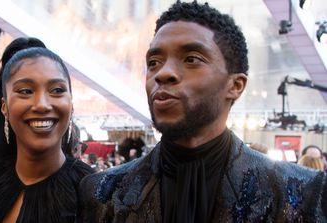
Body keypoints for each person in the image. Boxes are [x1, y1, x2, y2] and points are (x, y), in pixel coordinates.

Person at [78, 1, 327, 222]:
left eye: (192, 59)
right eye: (154, 62)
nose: (163, 73)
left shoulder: (303, 192)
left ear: (235, 85)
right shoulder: (102, 193)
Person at [0, 37, 93, 223]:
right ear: (4, 107)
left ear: (70, 102)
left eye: (56, 90)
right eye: (25, 91)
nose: (42, 105)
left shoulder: (97, 196)